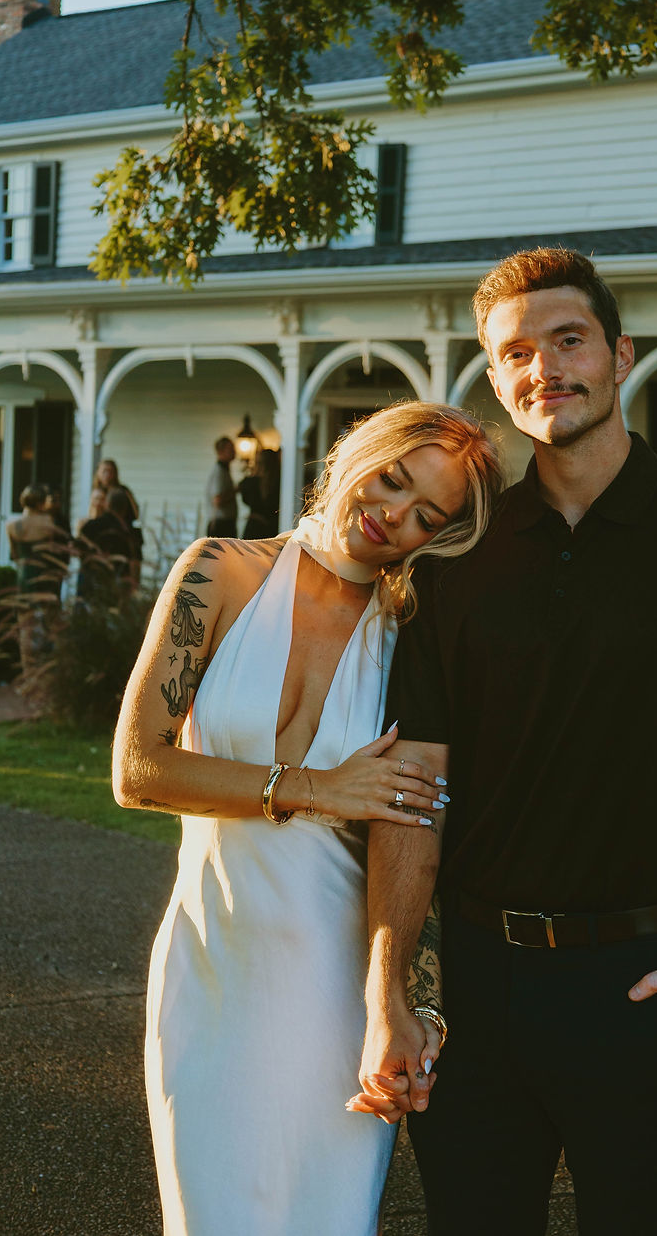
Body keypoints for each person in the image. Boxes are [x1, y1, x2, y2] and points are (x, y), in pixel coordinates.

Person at [356, 248, 657, 1236]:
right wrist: (390, 995)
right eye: (516, 354)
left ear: (619, 355)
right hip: (478, 991)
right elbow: (415, 787)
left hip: (644, 985)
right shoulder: (461, 553)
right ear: (496, 382)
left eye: (568, 339)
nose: (546, 368)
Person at [111, 401, 502, 1236]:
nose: (392, 515)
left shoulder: (411, 637)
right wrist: (318, 789)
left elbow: (420, 836)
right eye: (393, 479)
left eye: (425, 516)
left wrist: (409, 1005)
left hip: (338, 993)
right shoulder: (218, 571)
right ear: (360, 450)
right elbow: (138, 769)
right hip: (211, 965)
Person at [5, 484, 67, 674]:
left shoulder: (12, 526)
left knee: (26, 626)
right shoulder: (49, 523)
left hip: (25, 578)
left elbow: (14, 555)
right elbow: (56, 551)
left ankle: (29, 673)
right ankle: (51, 672)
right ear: (41, 503)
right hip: (46, 578)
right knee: (52, 624)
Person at [77, 486, 143, 600]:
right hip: (119, 587)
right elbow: (135, 562)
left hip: (91, 583)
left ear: (107, 504)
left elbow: (79, 549)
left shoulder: (90, 526)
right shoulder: (131, 533)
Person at [238, 447, 281, 539]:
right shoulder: (279, 483)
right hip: (272, 528)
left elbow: (245, 499)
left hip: (254, 525)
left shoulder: (249, 482)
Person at [205, 436, 238, 537]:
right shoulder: (219, 472)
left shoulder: (224, 471)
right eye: (230, 449)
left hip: (225, 523)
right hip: (221, 525)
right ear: (221, 451)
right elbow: (218, 500)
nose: (234, 451)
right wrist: (236, 490)